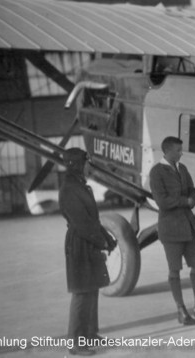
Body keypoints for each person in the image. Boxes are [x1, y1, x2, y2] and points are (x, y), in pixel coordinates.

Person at [149, 136, 195, 326]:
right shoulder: (156, 172)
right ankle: (181, 310)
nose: (181, 153)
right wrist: (185, 202)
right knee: (174, 270)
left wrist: (193, 198)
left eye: (181, 150)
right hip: (171, 228)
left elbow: (192, 190)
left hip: (187, 226)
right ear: (167, 151)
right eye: (178, 150)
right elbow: (161, 201)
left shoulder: (182, 169)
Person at [58, 148, 116, 356]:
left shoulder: (81, 185)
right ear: (76, 164)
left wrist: (107, 238)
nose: (89, 166)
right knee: (82, 292)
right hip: (80, 242)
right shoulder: (69, 189)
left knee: (92, 288)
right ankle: (75, 342)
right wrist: (102, 240)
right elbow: (82, 223)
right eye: (86, 162)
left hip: (88, 240)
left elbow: (92, 220)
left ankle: (89, 333)